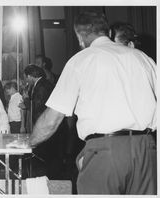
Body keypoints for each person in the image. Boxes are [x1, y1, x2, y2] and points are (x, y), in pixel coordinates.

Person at [29, 11, 156, 194]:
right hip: (147, 148)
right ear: (108, 32)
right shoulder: (144, 59)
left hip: (106, 151)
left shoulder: (81, 60)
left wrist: (30, 142)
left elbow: (52, 120)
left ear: (81, 36)